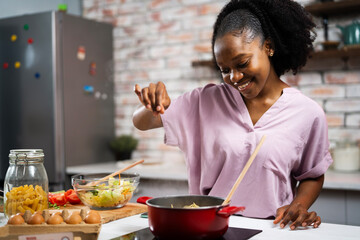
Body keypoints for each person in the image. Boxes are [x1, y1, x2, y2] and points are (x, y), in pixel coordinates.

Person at [132, 0, 333, 230]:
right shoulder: (205, 101)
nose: (234, 77)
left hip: (272, 231)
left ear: (268, 46)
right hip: (208, 228)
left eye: (242, 63)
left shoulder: (307, 113)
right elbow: (141, 122)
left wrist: (299, 204)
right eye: (224, 70)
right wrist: (151, 105)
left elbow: (312, 174)